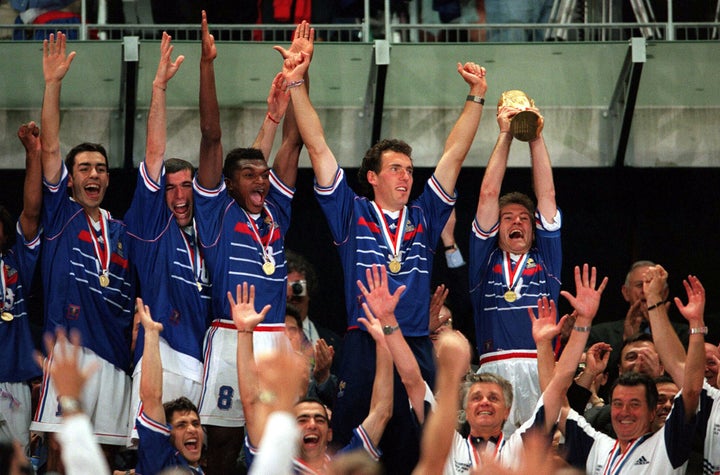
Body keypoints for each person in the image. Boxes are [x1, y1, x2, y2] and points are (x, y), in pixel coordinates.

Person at [282, 20, 487, 473]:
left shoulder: (425, 216)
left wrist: (476, 96)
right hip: (363, 341)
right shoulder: (350, 212)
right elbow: (316, 146)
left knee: (423, 451)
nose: (406, 176)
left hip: (414, 343)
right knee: (357, 445)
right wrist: (297, 82)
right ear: (373, 177)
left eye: (410, 169)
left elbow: (453, 155)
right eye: (395, 168)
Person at [193, 12, 305, 474]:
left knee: (276, 442)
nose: (262, 180)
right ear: (231, 185)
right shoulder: (217, 210)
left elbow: (295, 142)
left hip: (275, 337)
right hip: (227, 334)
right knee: (221, 442)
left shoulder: (276, 211)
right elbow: (212, 135)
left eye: (264, 174)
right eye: (249, 175)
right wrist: (207, 64)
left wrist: (300, 74)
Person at [30, 31, 135, 461]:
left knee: (106, 458)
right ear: (71, 179)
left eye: (101, 169)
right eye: (84, 168)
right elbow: (51, 146)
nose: (94, 174)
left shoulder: (125, 230)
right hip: (69, 350)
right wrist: (53, 84)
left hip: (114, 357)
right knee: (61, 452)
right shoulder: (61, 214)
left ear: (109, 179)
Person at [124, 32, 212, 444]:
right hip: (160, 359)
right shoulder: (151, 227)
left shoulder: (206, 237)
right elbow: (155, 153)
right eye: (170, 187)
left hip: (202, 364)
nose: (179, 196)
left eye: (186, 186)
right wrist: (158, 88)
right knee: (151, 457)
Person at [228, 281, 392, 473]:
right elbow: (251, 403)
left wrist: (383, 342)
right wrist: (245, 332)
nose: (312, 424)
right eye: (302, 419)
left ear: (329, 434)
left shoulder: (342, 464)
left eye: (320, 420)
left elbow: (382, 411)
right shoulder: (273, 457)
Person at [469, 98, 560, 433]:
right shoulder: (484, 262)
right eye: (508, 218)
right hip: (494, 371)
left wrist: (535, 137)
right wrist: (506, 134)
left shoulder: (546, 261)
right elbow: (488, 194)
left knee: (541, 457)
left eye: (524, 218)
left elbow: (547, 196)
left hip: (540, 367)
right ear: (497, 228)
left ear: (534, 231)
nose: (516, 222)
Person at [561, 267, 706, 474]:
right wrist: (556, 339)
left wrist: (691, 322)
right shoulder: (601, 439)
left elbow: (691, 388)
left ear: (652, 409)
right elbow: (559, 408)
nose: (624, 411)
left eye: (635, 404)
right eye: (618, 404)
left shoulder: (670, 442)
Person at [0, 121, 43, 453]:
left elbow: (31, 211)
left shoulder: (16, 263)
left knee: (18, 465)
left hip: (13, 380)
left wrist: (33, 154)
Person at [587, 260, 689, 393]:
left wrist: (658, 331)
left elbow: (689, 379)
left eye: (652, 285)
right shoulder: (600, 333)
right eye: (640, 285)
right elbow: (597, 379)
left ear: (665, 293)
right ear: (625, 292)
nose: (645, 291)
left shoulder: (684, 334)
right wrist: (626, 341)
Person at [134, 298, 204, 474]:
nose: (192, 429)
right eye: (181, 425)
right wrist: (151, 333)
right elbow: (151, 396)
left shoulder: (197, 469)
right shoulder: (161, 460)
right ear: (167, 435)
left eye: (195, 423)